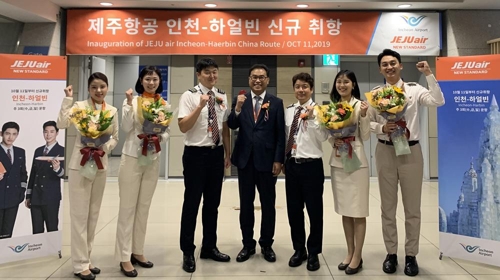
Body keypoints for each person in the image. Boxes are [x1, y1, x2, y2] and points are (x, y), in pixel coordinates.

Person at [369, 49, 444, 276]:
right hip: (385, 151)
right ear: (380, 69)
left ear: (400, 66)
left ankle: (411, 255)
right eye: (385, 64)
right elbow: (368, 123)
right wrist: (381, 127)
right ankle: (391, 253)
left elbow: (438, 101)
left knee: (412, 208)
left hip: (411, 152)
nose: (389, 67)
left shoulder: (414, 89)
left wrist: (430, 75)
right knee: (387, 208)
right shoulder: (375, 94)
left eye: (393, 63)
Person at [57, 72, 119, 280]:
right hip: (79, 165)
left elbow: (116, 137)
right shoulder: (79, 107)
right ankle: (79, 264)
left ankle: (87, 258)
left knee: (93, 216)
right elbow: (61, 124)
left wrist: (104, 146)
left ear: (107, 87)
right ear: (89, 89)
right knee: (79, 217)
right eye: (94, 87)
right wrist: (67, 99)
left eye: (102, 86)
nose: (98, 91)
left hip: (100, 164)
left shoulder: (111, 110)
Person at [115, 66, 170, 277]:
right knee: (127, 209)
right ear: (141, 80)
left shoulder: (163, 104)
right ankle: (123, 256)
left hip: (152, 159)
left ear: (159, 81)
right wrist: (129, 103)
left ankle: (137, 251)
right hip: (131, 158)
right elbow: (127, 127)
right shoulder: (133, 101)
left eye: (155, 79)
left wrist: (157, 138)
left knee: (143, 208)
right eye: (148, 79)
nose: (151, 82)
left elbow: (167, 133)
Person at [227, 64, 285, 263]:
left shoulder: (276, 102)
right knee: (246, 204)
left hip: (268, 162)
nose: (257, 80)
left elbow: (280, 135)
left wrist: (279, 159)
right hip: (245, 160)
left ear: (268, 79)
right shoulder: (240, 100)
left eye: (261, 77)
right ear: (249, 79)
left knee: (268, 205)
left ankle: (267, 244)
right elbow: (232, 125)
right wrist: (236, 108)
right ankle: (247, 244)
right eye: (254, 77)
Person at [178, 57, 231, 273]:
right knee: (191, 204)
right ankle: (188, 251)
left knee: (212, 204)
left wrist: (227, 152)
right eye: (208, 72)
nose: (212, 76)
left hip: (216, 154)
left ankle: (209, 246)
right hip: (195, 155)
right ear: (199, 74)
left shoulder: (221, 95)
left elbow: (225, 126)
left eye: (215, 72)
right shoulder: (189, 96)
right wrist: (200, 107)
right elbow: (183, 126)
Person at [284, 73, 329, 271]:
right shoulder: (288, 111)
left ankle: (313, 252)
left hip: (312, 166)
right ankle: (299, 249)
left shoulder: (321, 111)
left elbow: (324, 137)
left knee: (314, 211)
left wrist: (311, 119)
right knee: (294, 211)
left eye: (305, 87)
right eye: (298, 87)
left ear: (311, 89)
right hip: (292, 165)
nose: (301, 90)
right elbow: (286, 136)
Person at [328, 70, 370, 275]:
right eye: (339, 82)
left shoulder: (360, 105)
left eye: (346, 82)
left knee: (358, 210)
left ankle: (358, 255)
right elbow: (328, 134)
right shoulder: (333, 107)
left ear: (353, 84)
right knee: (345, 209)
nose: (342, 85)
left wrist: (363, 116)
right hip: (338, 161)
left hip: (357, 161)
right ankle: (350, 251)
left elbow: (366, 136)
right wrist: (333, 139)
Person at [25, 120, 65, 234]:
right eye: (46, 132)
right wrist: (28, 195)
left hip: (51, 197)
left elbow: (64, 175)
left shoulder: (62, 150)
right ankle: (38, 252)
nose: (48, 135)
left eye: (52, 131)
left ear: (57, 133)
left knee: (52, 227)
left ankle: (54, 251)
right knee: (36, 230)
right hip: (36, 196)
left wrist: (57, 169)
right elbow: (33, 174)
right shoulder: (38, 151)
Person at [0, 121, 27, 239]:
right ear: (1, 134)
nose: (10, 137)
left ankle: (5, 256)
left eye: (14, 134)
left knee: (7, 231)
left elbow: (23, 174)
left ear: (17, 135)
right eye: (7, 133)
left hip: (13, 198)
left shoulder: (20, 152)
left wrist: (22, 191)